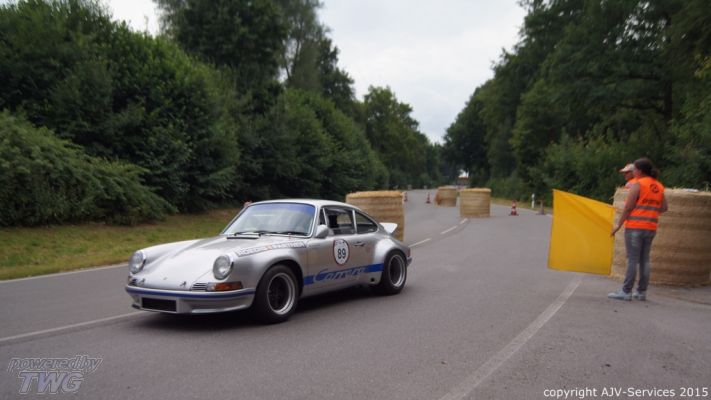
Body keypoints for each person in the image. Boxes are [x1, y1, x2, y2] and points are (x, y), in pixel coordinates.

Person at [609, 158, 668, 301]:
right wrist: (649, 211)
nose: (633, 171)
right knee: (644, 260)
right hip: (651, 227)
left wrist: (618, 225)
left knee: (632, 259)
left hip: (635, 226)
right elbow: (664, 207)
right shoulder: (659, 186)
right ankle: (641, 292)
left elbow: (628, 207)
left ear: (640, 171)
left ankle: (626, 291)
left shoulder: (638, 185)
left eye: (634, 169)